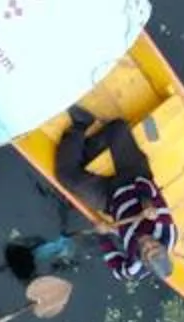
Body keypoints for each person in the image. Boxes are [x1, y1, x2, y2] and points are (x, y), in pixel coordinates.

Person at [52, 113, 177, 282]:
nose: (147, 243)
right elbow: (145, 183)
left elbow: (117, 268)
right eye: (155, 245)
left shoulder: (134, 269)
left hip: (111, 199)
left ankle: (80, 126)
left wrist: (103, 234)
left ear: (143, 260)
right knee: (117, 129)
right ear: (162, 245)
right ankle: (83, 150)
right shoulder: (165, 227)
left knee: (66, 176)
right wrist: (146, 202)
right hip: (133, 177)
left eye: (146, 251)